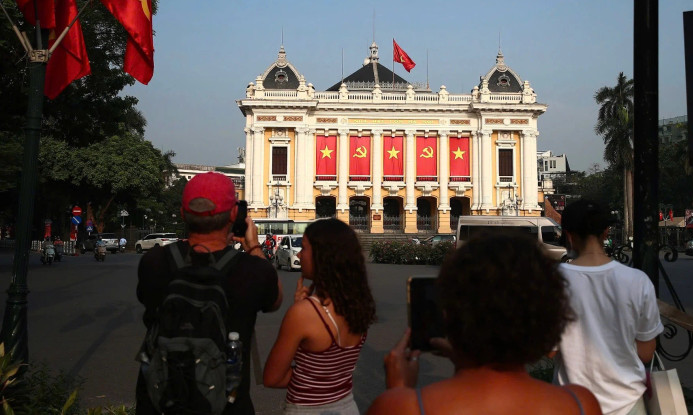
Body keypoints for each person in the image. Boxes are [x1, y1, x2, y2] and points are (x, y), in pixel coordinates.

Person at [368, 232, 602, 415]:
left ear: (448, 314)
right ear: (550, 316)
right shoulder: (580, 404)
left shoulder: (404, 407)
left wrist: (399, 391)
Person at [136, 171, 283, 415]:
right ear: (235, 214)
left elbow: (146, 300)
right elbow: (276, 300)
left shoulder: (154, 262)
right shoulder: (252, 270)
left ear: (183, 213)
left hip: (158, 404)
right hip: (227, 406)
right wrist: (254, 247)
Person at [553, 199, 664, 415]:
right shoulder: (637, 281)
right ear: (606, 233)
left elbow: (549, 350)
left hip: (572, 404)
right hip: (628, 404)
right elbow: (646, 352)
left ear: (568, 235)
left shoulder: (552, 281)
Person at [263, 218, 376, 415]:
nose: (298, 253)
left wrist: (311, 377)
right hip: (347, 406)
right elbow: (337, 365)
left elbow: (272, 377)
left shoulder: (304, 314)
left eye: (304, 248)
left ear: (322, 255)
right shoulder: (359, 304)